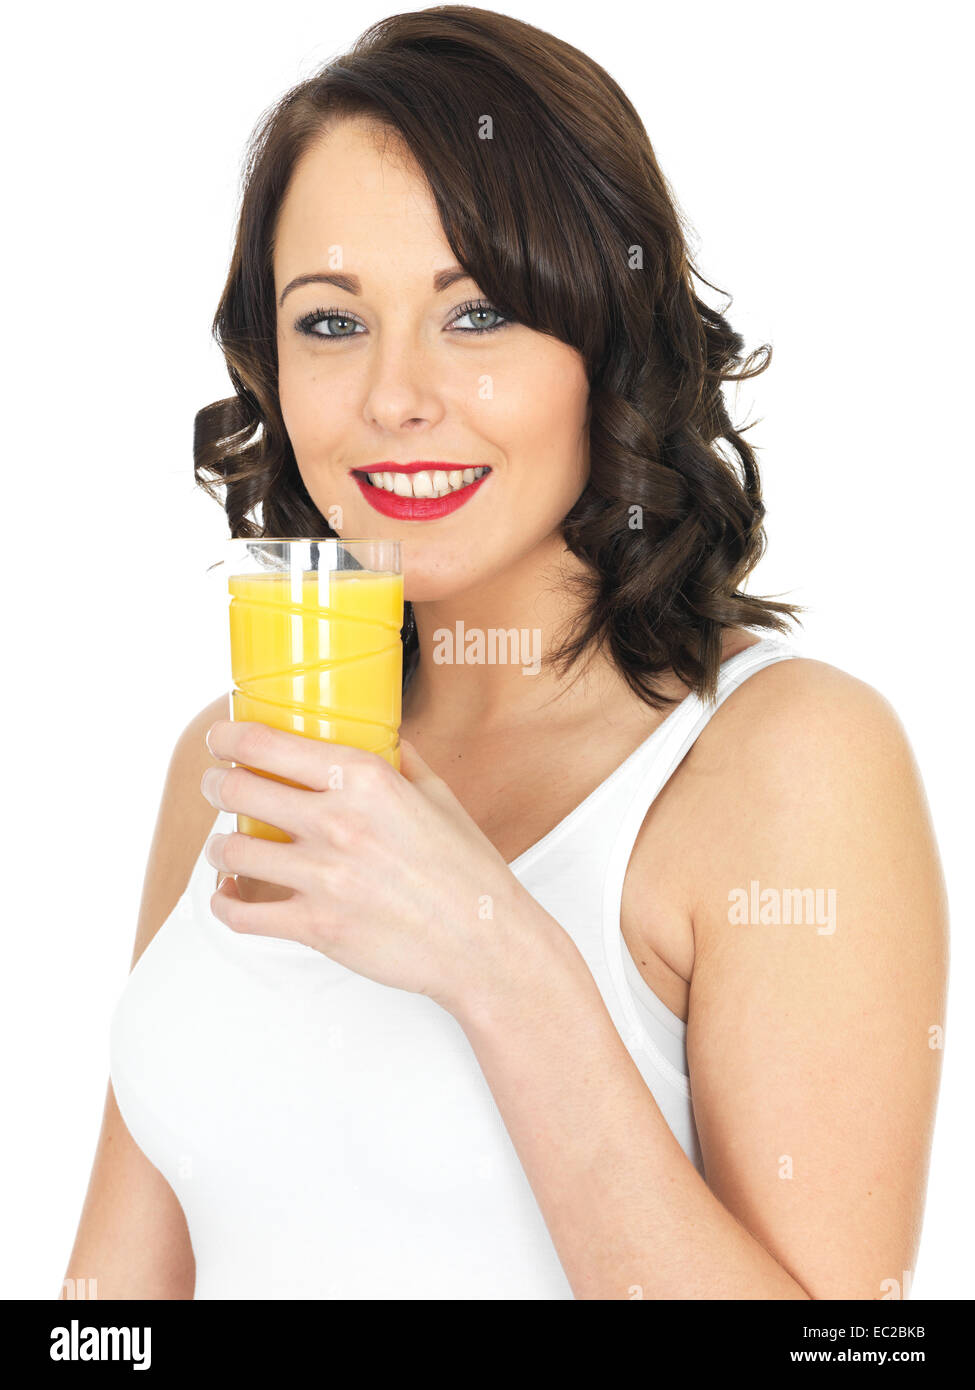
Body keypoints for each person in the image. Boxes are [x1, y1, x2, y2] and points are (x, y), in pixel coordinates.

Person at [62, 8, 947, 1300]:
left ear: (605, 338)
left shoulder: (786, 763)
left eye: (475, 313)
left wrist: (493, 951)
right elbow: (108, 1313)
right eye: (328, 321)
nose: (393, 396)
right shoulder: (234, 751)